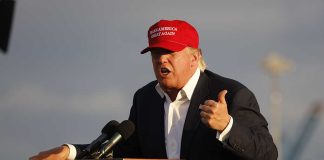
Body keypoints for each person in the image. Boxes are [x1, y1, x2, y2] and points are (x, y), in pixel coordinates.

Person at [30, 19, 278, 160]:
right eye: (156, 53)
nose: (161, 60)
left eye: (170, 53)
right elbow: (125, 152)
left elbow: (268, 154)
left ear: (195, 57)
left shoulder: (232, 94)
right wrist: (71, 152)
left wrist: (227, 126)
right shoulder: (145, 98)